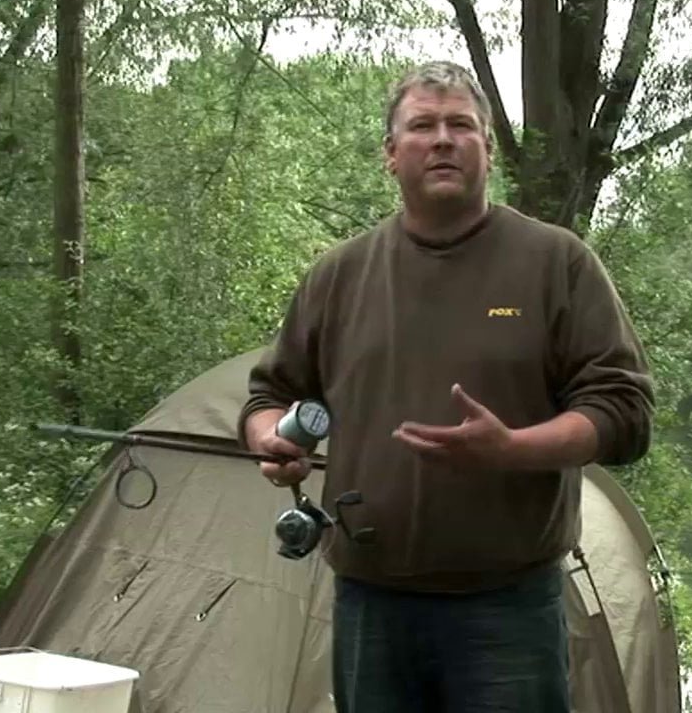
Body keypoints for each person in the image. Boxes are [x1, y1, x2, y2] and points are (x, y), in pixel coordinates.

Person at [238, 60, 654, 713]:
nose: (441, 139)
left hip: (509, 608)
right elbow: (268, 397)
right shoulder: (338, 275)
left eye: (461, 125)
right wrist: (273, 440)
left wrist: (515, 448)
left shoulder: (556, 262)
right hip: (371, 603)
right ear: (390, 154)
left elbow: (624, 413)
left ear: (488, 149)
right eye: (422, 126)